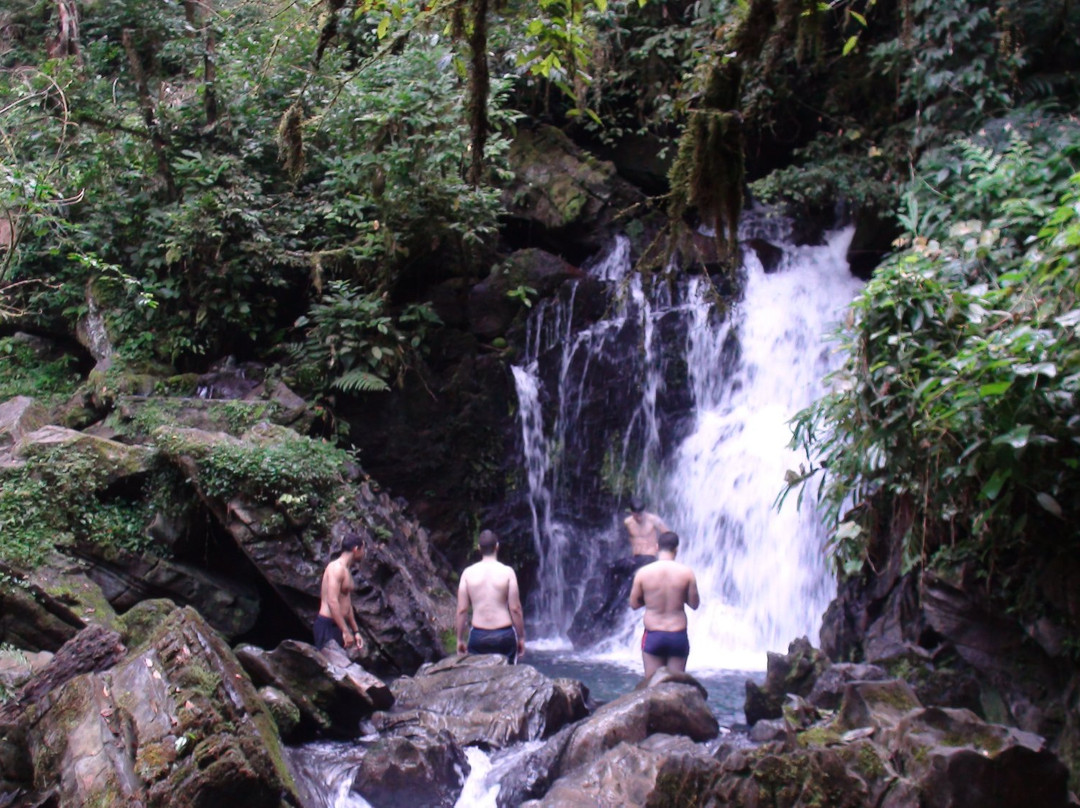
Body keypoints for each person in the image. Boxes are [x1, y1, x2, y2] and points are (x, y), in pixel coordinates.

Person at [629, 530, 700, 677]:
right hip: (678, 635)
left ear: (656, 547)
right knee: (675, 688)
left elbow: (634, 604)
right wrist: (680, 596)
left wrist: (651, 599)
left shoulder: (643, 573)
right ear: (676, 550)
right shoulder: (687, 573)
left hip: (653, 635)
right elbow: (694, 604)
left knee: (651, 686)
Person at [456, 529, 525, 664]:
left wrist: (459, 639)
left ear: (478, 548)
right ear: (497, 546)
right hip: (504, 635)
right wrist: (521, 637)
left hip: (478, 635)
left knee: (479, 680)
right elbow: (515, 608)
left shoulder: (467, 573)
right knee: (508, 679)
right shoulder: (507, 572)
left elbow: (462, 609)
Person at [313, 532, 365, 652]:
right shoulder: (336, 568)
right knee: (328, 667)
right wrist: (346, 631)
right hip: (327, 625)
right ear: (356, 549)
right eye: (363, 549)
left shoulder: (346, 570)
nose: (364, 553)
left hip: (338, 626)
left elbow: (347, 602)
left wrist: (355, 631)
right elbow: (332, 601)